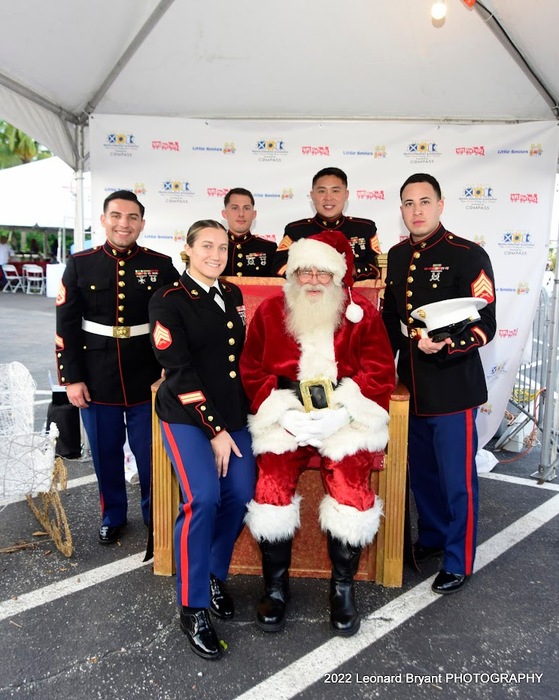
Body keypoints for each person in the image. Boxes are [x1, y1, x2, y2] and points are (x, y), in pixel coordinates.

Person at [240, 230, 395, 637]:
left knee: (349, 483)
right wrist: (281, 410)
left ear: (339, 277)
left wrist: (343, 415)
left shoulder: (361, 313)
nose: (311, 280)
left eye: (321, 273)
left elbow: (380, 372)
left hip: (343, 417)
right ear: (292, 274)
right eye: (304, 271)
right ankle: (275, 587)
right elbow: (251, 368)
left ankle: (341, 589)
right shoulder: (272, 311)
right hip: (287, 414)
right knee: (271, 482)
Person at [382, 173, 496, 595]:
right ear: (401, 209)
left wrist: (447, 346)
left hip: (453, 387)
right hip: (411, 386)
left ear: (441, 205)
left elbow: (486, 322)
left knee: (457, 480)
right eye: (409, 203)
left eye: (424, 202)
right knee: (423, 475)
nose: (417, 210)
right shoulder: (395, 256)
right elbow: (392, 320)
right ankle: (431, 539)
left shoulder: (468, 254)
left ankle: (458, 559)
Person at [149, 220, 256, 660]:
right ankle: (192, 607)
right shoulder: (169, 300)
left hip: (230, 416)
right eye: (207, 246)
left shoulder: (230, 294)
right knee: (203, 499)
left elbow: (236, 362)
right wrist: (214, 429)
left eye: (223, 246)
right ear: (188, 249)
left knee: (242, 493)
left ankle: (212, 572)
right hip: (187, 417)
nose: (216, 253)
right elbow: (179, 372)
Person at [55, 190, 179, 545]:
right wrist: (72, 378)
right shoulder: (81, 263)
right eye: (117, 216)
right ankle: (113, 516)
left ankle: (155, 514)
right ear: (104, 220)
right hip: (97, 374)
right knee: (106, 452)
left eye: (132, 217)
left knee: (150, 453)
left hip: (147, 374)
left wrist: (171, 369)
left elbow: (172, 321)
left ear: (142, 222)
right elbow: (66, 323)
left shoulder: (161, 264)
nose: (124, 224)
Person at [271, 167, 381, 280]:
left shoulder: (365, 228)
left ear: (346, 195)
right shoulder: (295, 230)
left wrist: (349, 269)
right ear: (312, 195)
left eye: (335, 191)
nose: (328, 197)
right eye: (322, 191)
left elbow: (378, 268)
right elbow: (279, 268)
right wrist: (311, 273)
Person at [222, 187, 277, 276]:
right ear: (224, 214)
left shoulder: (269, 249)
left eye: (246, 208)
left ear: (254, 214)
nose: (241, 214)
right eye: (235, 208)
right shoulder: (215, 249)